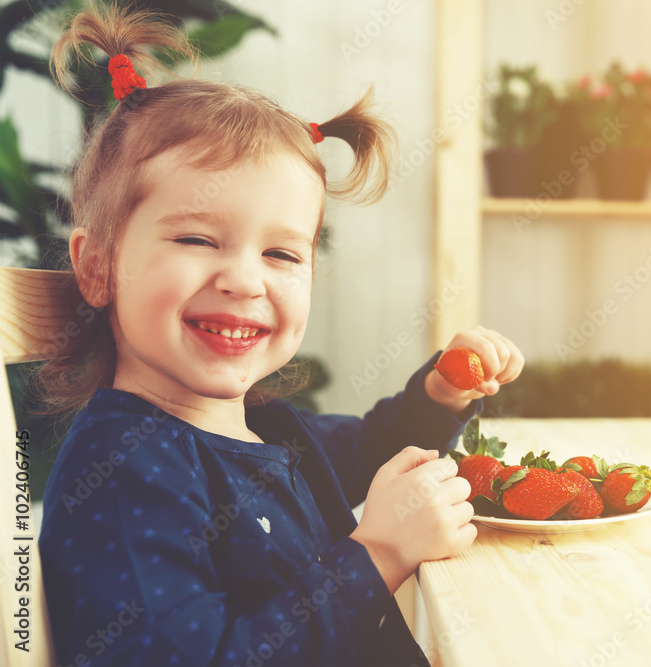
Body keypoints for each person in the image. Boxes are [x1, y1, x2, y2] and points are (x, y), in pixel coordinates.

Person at [36, 5, 523, 666]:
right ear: (97, 267)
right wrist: (377, 554)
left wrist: (441, 391)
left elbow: (378, 447)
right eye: (197, 238)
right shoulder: (125, 470)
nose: (244, 279)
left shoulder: (264, 429)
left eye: (282, 255)